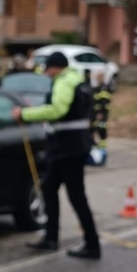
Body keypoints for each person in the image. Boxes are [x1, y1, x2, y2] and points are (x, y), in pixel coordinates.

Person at [10, 51, 101, 260]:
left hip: (68, 148)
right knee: (49, 188)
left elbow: (57, 110)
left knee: (76, 196)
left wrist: (25, 114)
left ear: (55, 67)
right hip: (66, 147)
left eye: (47, 69)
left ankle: (92, 244)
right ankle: (51, 238)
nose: (45, 73)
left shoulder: (64, 81)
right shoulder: (75, 79)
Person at [91, 71, 112, 149]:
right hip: (99, 112)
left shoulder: (103, 88)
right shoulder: (99, 87)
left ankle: (102, 144)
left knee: (101, 128)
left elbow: (104, 101)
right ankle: (99, 143)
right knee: (98, 127)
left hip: (101, 113)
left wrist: (100, 113)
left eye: (97, 77)